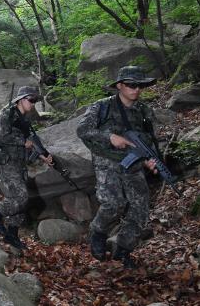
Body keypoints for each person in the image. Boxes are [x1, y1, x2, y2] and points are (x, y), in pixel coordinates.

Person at [76, 65, 159, 269]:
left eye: (140, 85)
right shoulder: (102, 107)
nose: (136, 89)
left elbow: (151, 140)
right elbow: (82, 130)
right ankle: (98, 232)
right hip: (107, 161)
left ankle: (123, 249)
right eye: (131, 85)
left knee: (140, 209)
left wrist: (152, 160)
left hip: (134, 163)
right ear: (120, 86)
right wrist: (109, 137)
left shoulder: (145, 111)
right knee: (113, 204)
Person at [0, 86, 53, 250]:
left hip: (20, 163)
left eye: (35, 101)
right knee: (21, 197)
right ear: (21, 100)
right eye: (31, 100)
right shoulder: (7, 115)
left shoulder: (24, 120)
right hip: (7, 163)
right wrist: (22, 141)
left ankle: (12, 235)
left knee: (21, 202)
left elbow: (31, 141)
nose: (33, 104)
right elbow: (1, 136)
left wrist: (43, 154)